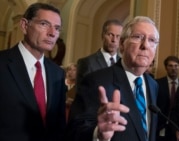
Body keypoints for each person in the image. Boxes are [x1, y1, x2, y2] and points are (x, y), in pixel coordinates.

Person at [66, 16, 159, 141]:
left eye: (152, 40)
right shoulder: (96, 81)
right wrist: (98, 133)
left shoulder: (153, 85)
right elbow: (76, 131)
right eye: (138, 37)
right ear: (122, 44)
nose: (145, 45)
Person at [0, 3, 66, 141]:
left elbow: (59, 125)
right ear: (24, 25)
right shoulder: (2, 63)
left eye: (57, 28)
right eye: (44, 24)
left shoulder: (57, 73)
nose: (52, 33)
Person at [76, 19, 123, 87]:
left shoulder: (123, 64)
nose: (114, 40)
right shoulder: (87, 63)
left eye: (118, 36)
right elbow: (81, 93)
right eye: (110, 35)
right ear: (102, 36)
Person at [156, 56, 179, 141]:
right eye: (170, 66)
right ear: (166, 68)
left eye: (176, 65)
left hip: (178, 128)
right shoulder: (157, 83)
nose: (173, 68)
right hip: (160, 126)